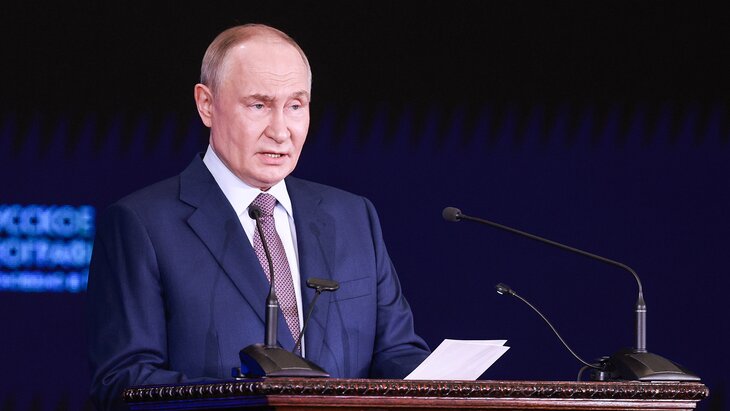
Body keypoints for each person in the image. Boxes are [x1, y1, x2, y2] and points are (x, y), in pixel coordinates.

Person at [87, 23, 430, 410]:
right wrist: (256, 400)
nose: (280, 131)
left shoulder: (353, 216)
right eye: (259, 106)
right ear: (206, 105)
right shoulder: (142, 224)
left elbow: (397, 354)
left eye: (295, 106)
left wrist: (453, 386)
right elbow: (125, 381)